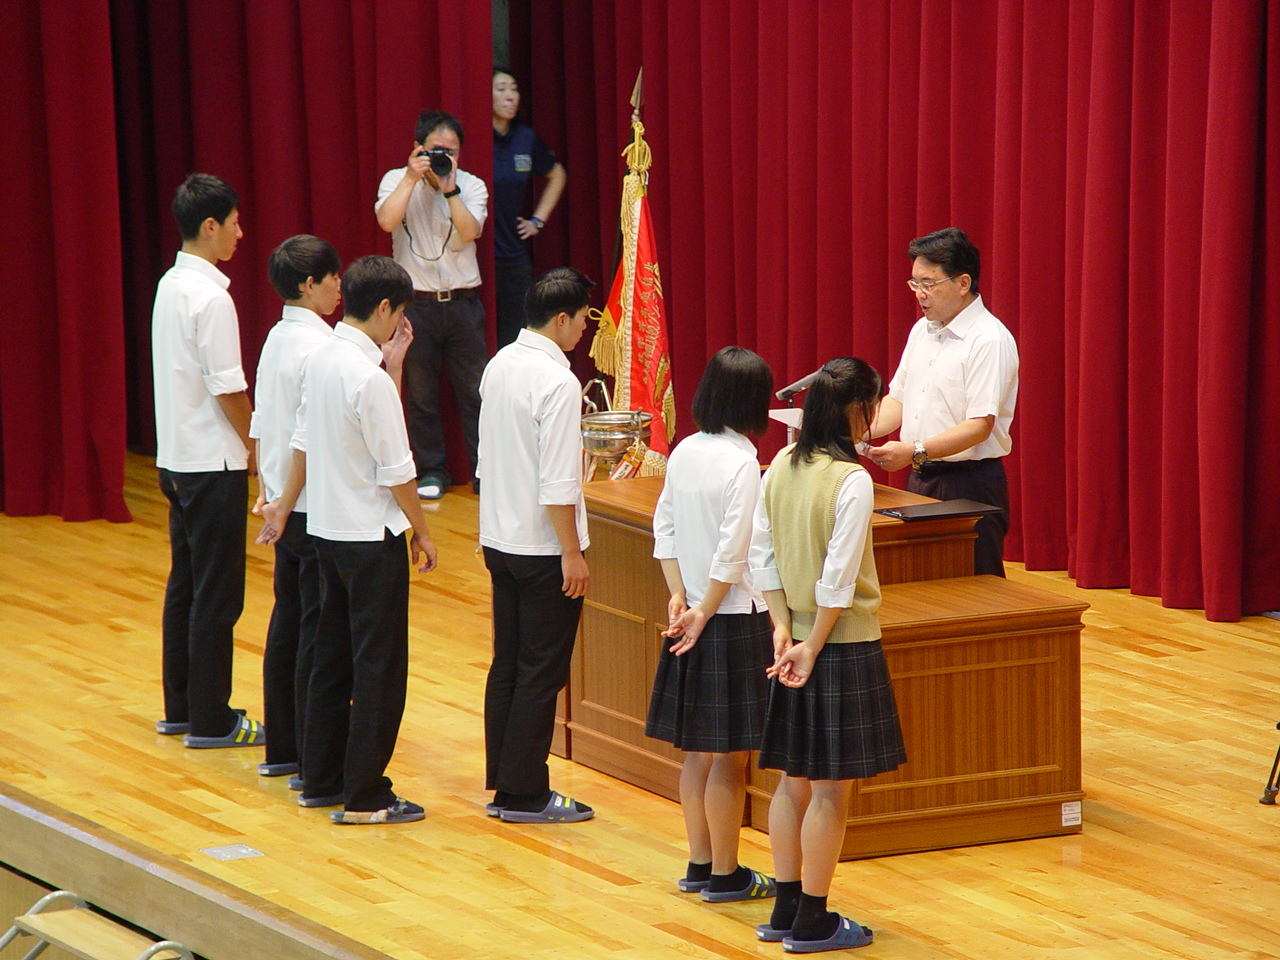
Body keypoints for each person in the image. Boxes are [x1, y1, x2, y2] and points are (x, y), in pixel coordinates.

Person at [260, 255, 437, 825]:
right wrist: (424, 530)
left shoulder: (326, 358)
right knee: (379, 669)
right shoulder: (368, 378)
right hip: (369, 541)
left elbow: (301, 440)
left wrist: (284, 509)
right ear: (384, 308)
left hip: (326, 535)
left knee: (329, 659)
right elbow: (399, 470)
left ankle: (320, 779)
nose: (398, 326)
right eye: (399, 314)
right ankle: (365, 795)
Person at [751, 358, 907, 953]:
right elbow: (839, 580)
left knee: (793, 781)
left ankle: (785, 909)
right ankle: (814, 920)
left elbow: (761, 558)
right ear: (856, 411)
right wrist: (813, 646)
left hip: (791, 638)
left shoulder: (780, 467)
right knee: (831, 792)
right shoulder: (852, 479)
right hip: (836, 646)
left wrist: (782, 631)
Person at [645, 346, 778, 903]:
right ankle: (726, 874)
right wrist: (704, 607)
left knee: (698, 753)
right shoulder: (743, 463)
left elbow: (665, 529)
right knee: (730, 756)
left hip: (691, 615)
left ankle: (700, 865)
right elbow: (735, 552)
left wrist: (681, 596)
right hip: (727, 621)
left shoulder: (684, 451)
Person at [151, 173, 265, 750]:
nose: (242, 234)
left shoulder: (171, 284)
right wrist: (256, 446)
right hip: (211, 463)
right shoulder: (211, 297)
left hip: (175, 457)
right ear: (211, 225)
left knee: (187, 585)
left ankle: (181, 707)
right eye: (236, 223)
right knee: (218, 594)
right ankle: (212, 718)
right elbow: (228, 388)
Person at [477, 267, 595, 824]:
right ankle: (525, 793)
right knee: (542, 671)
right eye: (583, 321)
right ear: (562, 318)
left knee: (509, 662)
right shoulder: (559, 382)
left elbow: (487, 460)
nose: (586, 333)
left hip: (499, 538)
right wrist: (572, 552)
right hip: (543, 548)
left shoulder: (499, 363)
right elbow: (556, 482)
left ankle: (503, 779)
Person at [866, 227, 1019, 576]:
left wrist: (913, 451)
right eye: (914, 283)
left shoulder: (988, 339)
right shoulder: (922, 331)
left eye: (929, 284)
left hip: (970, 482)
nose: (920, 294)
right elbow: (898, 400)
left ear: (963, 283)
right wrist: (855, 430)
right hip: (921, 477)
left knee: (973, 587)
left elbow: (980, 426)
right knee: (921, 580)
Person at [249, 235, 342, 781]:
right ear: (309, 284)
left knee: (288, 622)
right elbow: (306, 433)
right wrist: (285, 500)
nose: (338, 287)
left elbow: (263, 420)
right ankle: (313, 756)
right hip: (304, 505)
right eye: (332, 278)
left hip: (282, 500)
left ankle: (283, 746)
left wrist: (264, 488)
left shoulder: (276, 338)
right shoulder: (320, 347)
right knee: (315, 628)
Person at [376, 109, 489, 501]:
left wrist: (450, 189)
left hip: (462, 304)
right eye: (437, 150)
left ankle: (484, 474)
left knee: (476, 394)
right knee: (422, 397)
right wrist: (411, 177)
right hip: (417, 306)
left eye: (452, 151)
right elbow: (387, 222)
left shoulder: (470, 185)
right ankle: (431, 472)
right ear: (418, 147)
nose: (445, 158)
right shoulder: (396, 180)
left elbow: (471, 231)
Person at [491, 68, 567, 347]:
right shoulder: (473, 137)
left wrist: (538, 221)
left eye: (514, 89)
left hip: (514, 255)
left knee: (516, 336)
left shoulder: (525, 138)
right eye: (501, 89)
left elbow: (557, 175)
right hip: (478, 257)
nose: (510, 96)